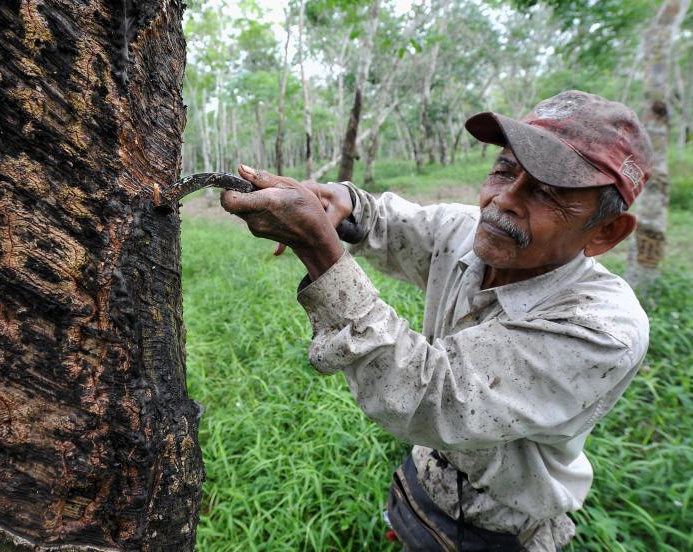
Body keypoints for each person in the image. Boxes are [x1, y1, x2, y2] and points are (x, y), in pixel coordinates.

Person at [220, 90, 652, 551]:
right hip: (426, 481)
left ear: (606, 232)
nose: (502, 200)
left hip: (503, 526)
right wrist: (341, 202)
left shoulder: (602, 327)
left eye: (548, 193)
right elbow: (395, 223)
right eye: (504, 170)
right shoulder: (472, 230)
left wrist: (317, 246)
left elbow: (432, 398)